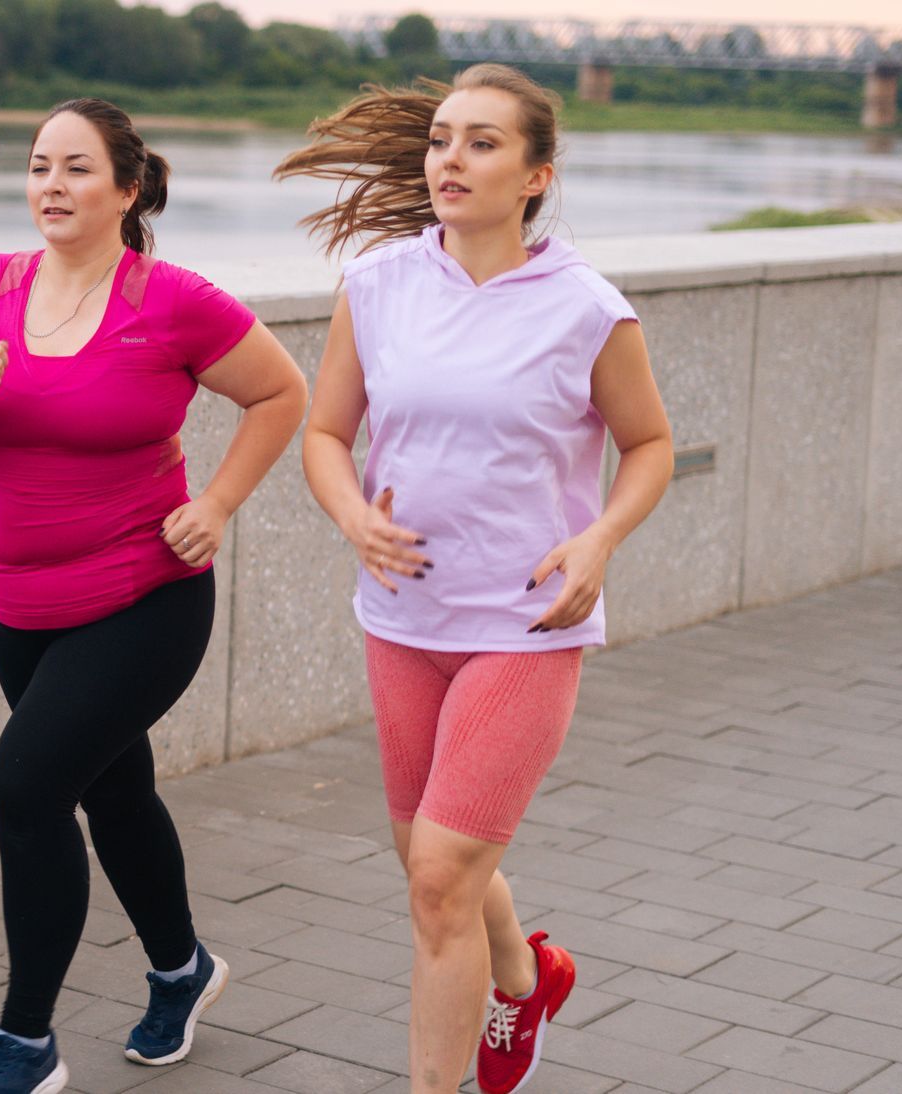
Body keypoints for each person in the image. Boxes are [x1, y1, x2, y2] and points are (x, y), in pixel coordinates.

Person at [0, 98, 308, 1094]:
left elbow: (280, 390)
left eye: (75, 169)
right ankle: (182, 966)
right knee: (112, 787)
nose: (51, 187)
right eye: (38, 167)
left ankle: (24, 1044)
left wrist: (218, 500)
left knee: (28, 784)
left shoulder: (172, 299)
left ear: (125, 188)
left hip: (144, 595)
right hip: (18, 601)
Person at [278, 64, 673, 1094]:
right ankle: (524, 973)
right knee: (424, 857)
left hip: (525, 623)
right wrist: (352, 511)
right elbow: (325, 430)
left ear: (535, 175)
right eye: (442, 137)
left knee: (441, 879)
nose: (450, 157)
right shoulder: (376, 286)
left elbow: (649, 444)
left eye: (482, 142)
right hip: (403, 617)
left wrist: (599, 540)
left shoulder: (586, 308)